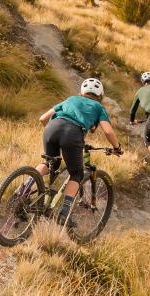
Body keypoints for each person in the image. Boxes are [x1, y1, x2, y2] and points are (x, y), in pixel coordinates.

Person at [37, 78, 123, 224]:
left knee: (50, 163)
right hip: (72, 133)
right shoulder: (98, 107)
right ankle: (64, 213)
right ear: (100, 95)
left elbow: (43, 118)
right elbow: (108, 132)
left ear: (82, 92)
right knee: (76, 174)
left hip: (52, 128)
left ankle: (22, 190)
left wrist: (53, 130)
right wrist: (117, 148)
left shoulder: (71, 99)